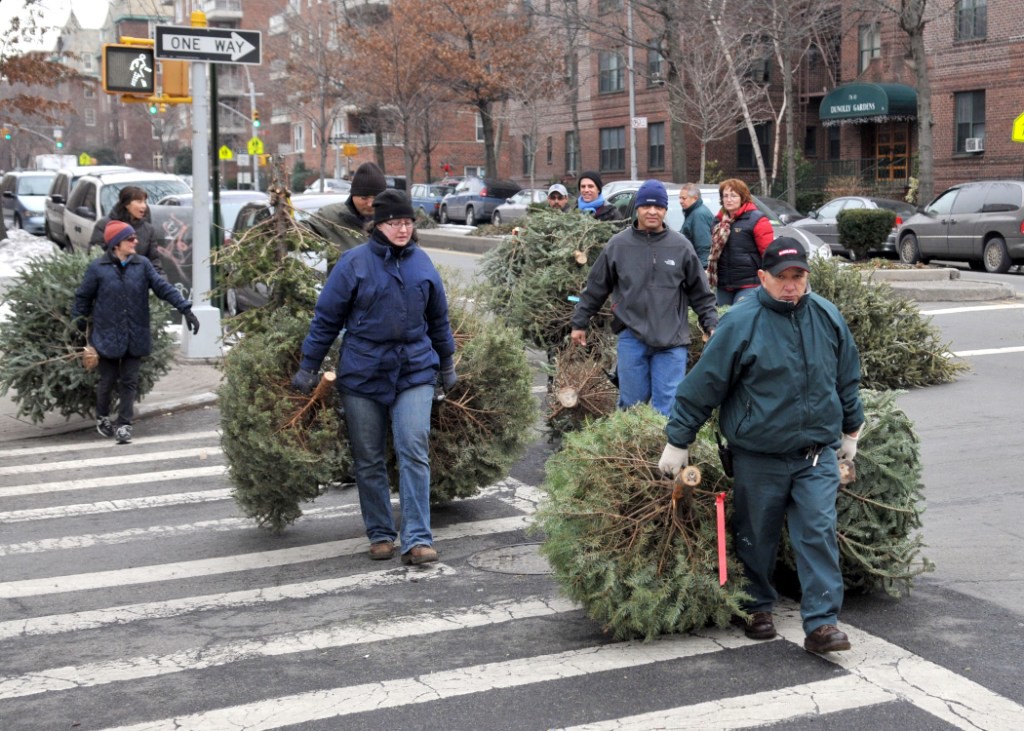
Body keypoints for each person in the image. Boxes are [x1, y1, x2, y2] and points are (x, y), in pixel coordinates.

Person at [658, 237, 864, 654]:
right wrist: (678, 439)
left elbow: (846, 375)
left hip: (815, 455)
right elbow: (705, 385)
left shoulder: (825, 316)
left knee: (818, 533)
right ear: (762, 277)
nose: (791, 286)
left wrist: (851, 429)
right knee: (756, 533)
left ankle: (822, 624)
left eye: (799, 276)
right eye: (783, 278)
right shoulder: (740, 322)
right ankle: (757, 607)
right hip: (759, 455)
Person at [291, 189, 456, 566]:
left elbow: (438, 319)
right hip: (363, 372)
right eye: (394, 222)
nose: (402, 229)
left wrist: (446, 364)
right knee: (367, 457)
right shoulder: (353, 264)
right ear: (377, 225)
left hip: (414, 369)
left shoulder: (422, 264)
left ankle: (417, 538)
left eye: (407, 222)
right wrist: (308, 365)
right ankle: (381, 532)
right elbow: (327, 319)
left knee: (413, 446)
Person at [570, 180, 718, 416]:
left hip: (671, 341)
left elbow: (701, 293)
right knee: (632, 406)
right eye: (647, 206)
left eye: (658, 207)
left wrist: (711, 323)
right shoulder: (618, 245)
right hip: (632, 337)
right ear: (637, 208)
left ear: (665, 210)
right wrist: (580, 322)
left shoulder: (680, 247)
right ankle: (633, 452)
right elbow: (596, 287)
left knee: (667, 407)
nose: (652, 211)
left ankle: (663, 452)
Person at [73, 221, 200, 445]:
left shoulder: (142, 265)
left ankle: (124, 425)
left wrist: (185, 309)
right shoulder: (98, 268)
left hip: (135, 333)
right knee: (108, 381)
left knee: (129, 381)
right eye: (130, 239)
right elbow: (83, 298)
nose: (136, 241)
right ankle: (102, 417)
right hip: (106, 334)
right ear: (116, 243)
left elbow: (163, 287)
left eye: (135, 238)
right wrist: (78, 329)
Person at [707, 178, 774, 306]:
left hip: (749, 282)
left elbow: (768, 253)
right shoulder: (718, 221)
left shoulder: (757, 219)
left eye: (733, 195)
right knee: (724, 319)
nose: (728, 199)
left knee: (742, 318)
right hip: (724, 284)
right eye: (725, 196)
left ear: (743, 197)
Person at [303, 161, 387, 259]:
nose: (370, 204)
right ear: (353, 196)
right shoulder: (330, 217)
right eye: (364, 198)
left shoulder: (397, 219)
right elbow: (297, 236)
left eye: (376, 197)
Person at [89, 186, 165, 276]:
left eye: (145, 202)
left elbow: (154, 261)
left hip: (139, 281)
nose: (144, 206)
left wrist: (159, 282)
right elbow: (95, 254)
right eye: (139, 202)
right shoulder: (105, 225)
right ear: (127, 204)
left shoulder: (148, 229)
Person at [679, 183, 714, 268]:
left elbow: (703, 246)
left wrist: (702, 270)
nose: (680, 201)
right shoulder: (692, 213)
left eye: (684, 198)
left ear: (695, 198)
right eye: (680, 198)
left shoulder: (698, 215)